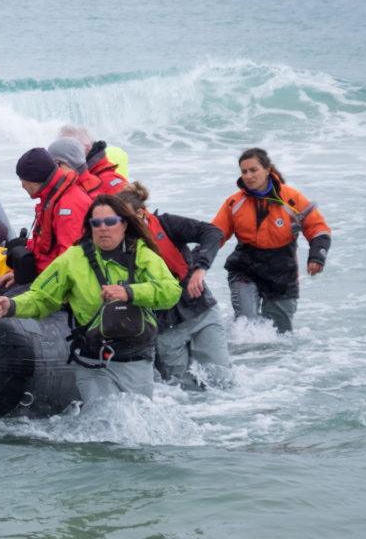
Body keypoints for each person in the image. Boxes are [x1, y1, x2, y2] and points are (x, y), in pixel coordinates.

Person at [0, 194, 181, 403]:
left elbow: (170, 291)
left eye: (110, 222)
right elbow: (41, 298)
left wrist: (130, 292)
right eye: (96, 223)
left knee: (136, 424)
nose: (103, 228)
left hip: (135, 360)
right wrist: (12, 306)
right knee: (103, 422)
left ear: (124, 224)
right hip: (92, 360)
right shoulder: (73, 259)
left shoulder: (143, 255)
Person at [118, 182, 232, 389]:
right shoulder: (115, 246)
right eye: (118, 220)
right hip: (165, 328)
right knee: (180, 390)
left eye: (126, 220)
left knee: (222, 382)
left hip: (201, 312)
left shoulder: (168, 224)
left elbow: (213, 232)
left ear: (142, 214)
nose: (121, 226)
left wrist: (200, 268)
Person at [212, 147, 331, 333]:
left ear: (267, 170)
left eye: (253, 170)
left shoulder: (292, 199)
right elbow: (215, 235)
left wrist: (317, 257)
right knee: (246, 327)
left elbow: (318, 229)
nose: (249, 176)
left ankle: (274, 363)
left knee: (280, 335)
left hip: (282, 271)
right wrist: (198, 259)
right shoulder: (234, 202)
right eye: (244, 172)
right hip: (245, 268)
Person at [0, 147, 92, 290]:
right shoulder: (52, 197)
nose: (22, 186)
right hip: (44, 273)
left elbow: (69, 260)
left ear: (34, 180)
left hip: (58, 284)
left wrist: (35, 287)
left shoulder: (69, 205)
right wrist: (19, 274)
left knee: (1, 303)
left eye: (22, 180)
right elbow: (42, 247)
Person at [58, 125, 128, 194]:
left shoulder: (109, 182)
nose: (63, 157)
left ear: (86, 147)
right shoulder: (83, 178)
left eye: (68, 149)